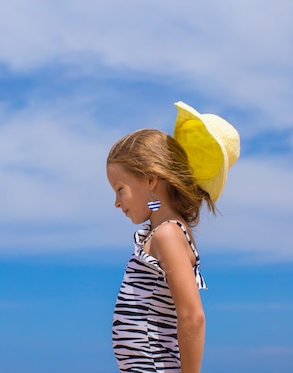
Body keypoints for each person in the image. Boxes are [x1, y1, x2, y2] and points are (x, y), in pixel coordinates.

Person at [106, 101, 240, 373]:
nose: (117, 202)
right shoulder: (159, 234)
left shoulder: (167, 234)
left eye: (120, 189)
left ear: (151, 180)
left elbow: (192, 316)